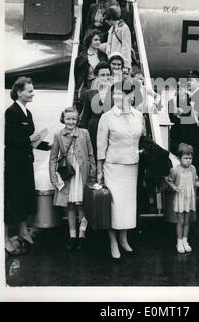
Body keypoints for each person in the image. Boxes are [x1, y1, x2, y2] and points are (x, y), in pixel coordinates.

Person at [97, 80, 144, 260]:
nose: (118, 96)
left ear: (131, 95)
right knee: (114, 205)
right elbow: (101, 146)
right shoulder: (107, 117)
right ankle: (113, 241)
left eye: (122, 93)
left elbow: (140, 139)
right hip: (112, 166)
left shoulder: (138, 115)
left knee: (127, 206)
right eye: (115, 93)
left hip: (132, 166)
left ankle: (123, 238)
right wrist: (100, 170)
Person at [4, 77, 51, 255]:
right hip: (14, 164)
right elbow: (8, 140)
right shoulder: (11, 112)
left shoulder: (27, 113)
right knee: (12, 200)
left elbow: (33, 142)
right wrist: (28, 139)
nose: (33, 94)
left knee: (24, 197)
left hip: (25, 162)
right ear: (19, 92)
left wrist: (50, 146)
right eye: (29, 91)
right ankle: (6, 238)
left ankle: (23, 232)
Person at [49, 107, 96, 251]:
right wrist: (53, 178)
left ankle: (82, 235)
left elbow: (90, 154)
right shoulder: (58, 134)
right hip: (68, 174)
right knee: (70, 206)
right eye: (68, 119)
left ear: (78, 120)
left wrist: (93, 174)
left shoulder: (84, 133)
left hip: (82, 173)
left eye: (74, 119)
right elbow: (53, 158)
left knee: (82, 205)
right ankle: (72, 235)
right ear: (63, 119)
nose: (71, 121)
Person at [166, 143, 199, 254]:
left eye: (190, 158)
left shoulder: (193, 169)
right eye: (185, 158)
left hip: (189, 198)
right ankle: (179, 242)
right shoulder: (175, 170)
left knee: (187, 221)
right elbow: (169, 181)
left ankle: (185, 240)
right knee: (180, 221)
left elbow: (195, 182)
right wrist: (175, 188)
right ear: (179, 158)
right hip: (180, 199)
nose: (188, 160)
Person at [79, 62, 112, 163]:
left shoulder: (116, 94)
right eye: (102, 75)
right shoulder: (89, 93)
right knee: (94, 155)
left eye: (107, 75)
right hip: (94, 128)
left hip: (110, 128)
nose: (105, 78)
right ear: (97, 76)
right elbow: (85, 116)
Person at [74, 29, 108, 111]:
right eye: (96, 40)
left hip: (103, 85)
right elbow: (77, 76)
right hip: (89, 86)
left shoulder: (103, 56)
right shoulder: (82, 58)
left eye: (100, 40)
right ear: (89, 40)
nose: (98, 42)